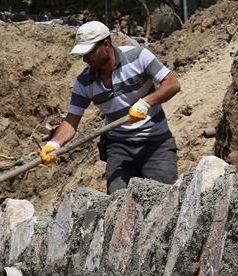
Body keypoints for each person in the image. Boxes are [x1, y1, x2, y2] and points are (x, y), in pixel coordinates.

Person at [40, 20, 181, 194]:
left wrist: (145, 103)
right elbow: (71, 121)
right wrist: (54, 144)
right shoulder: (84, 83)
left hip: (156, 143)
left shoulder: (139, 57)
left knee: (164, 198)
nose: (85, 59)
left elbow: (172, 84)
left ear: (106, 44)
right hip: (119, 147)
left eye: (89, 52)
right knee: (117, 203)